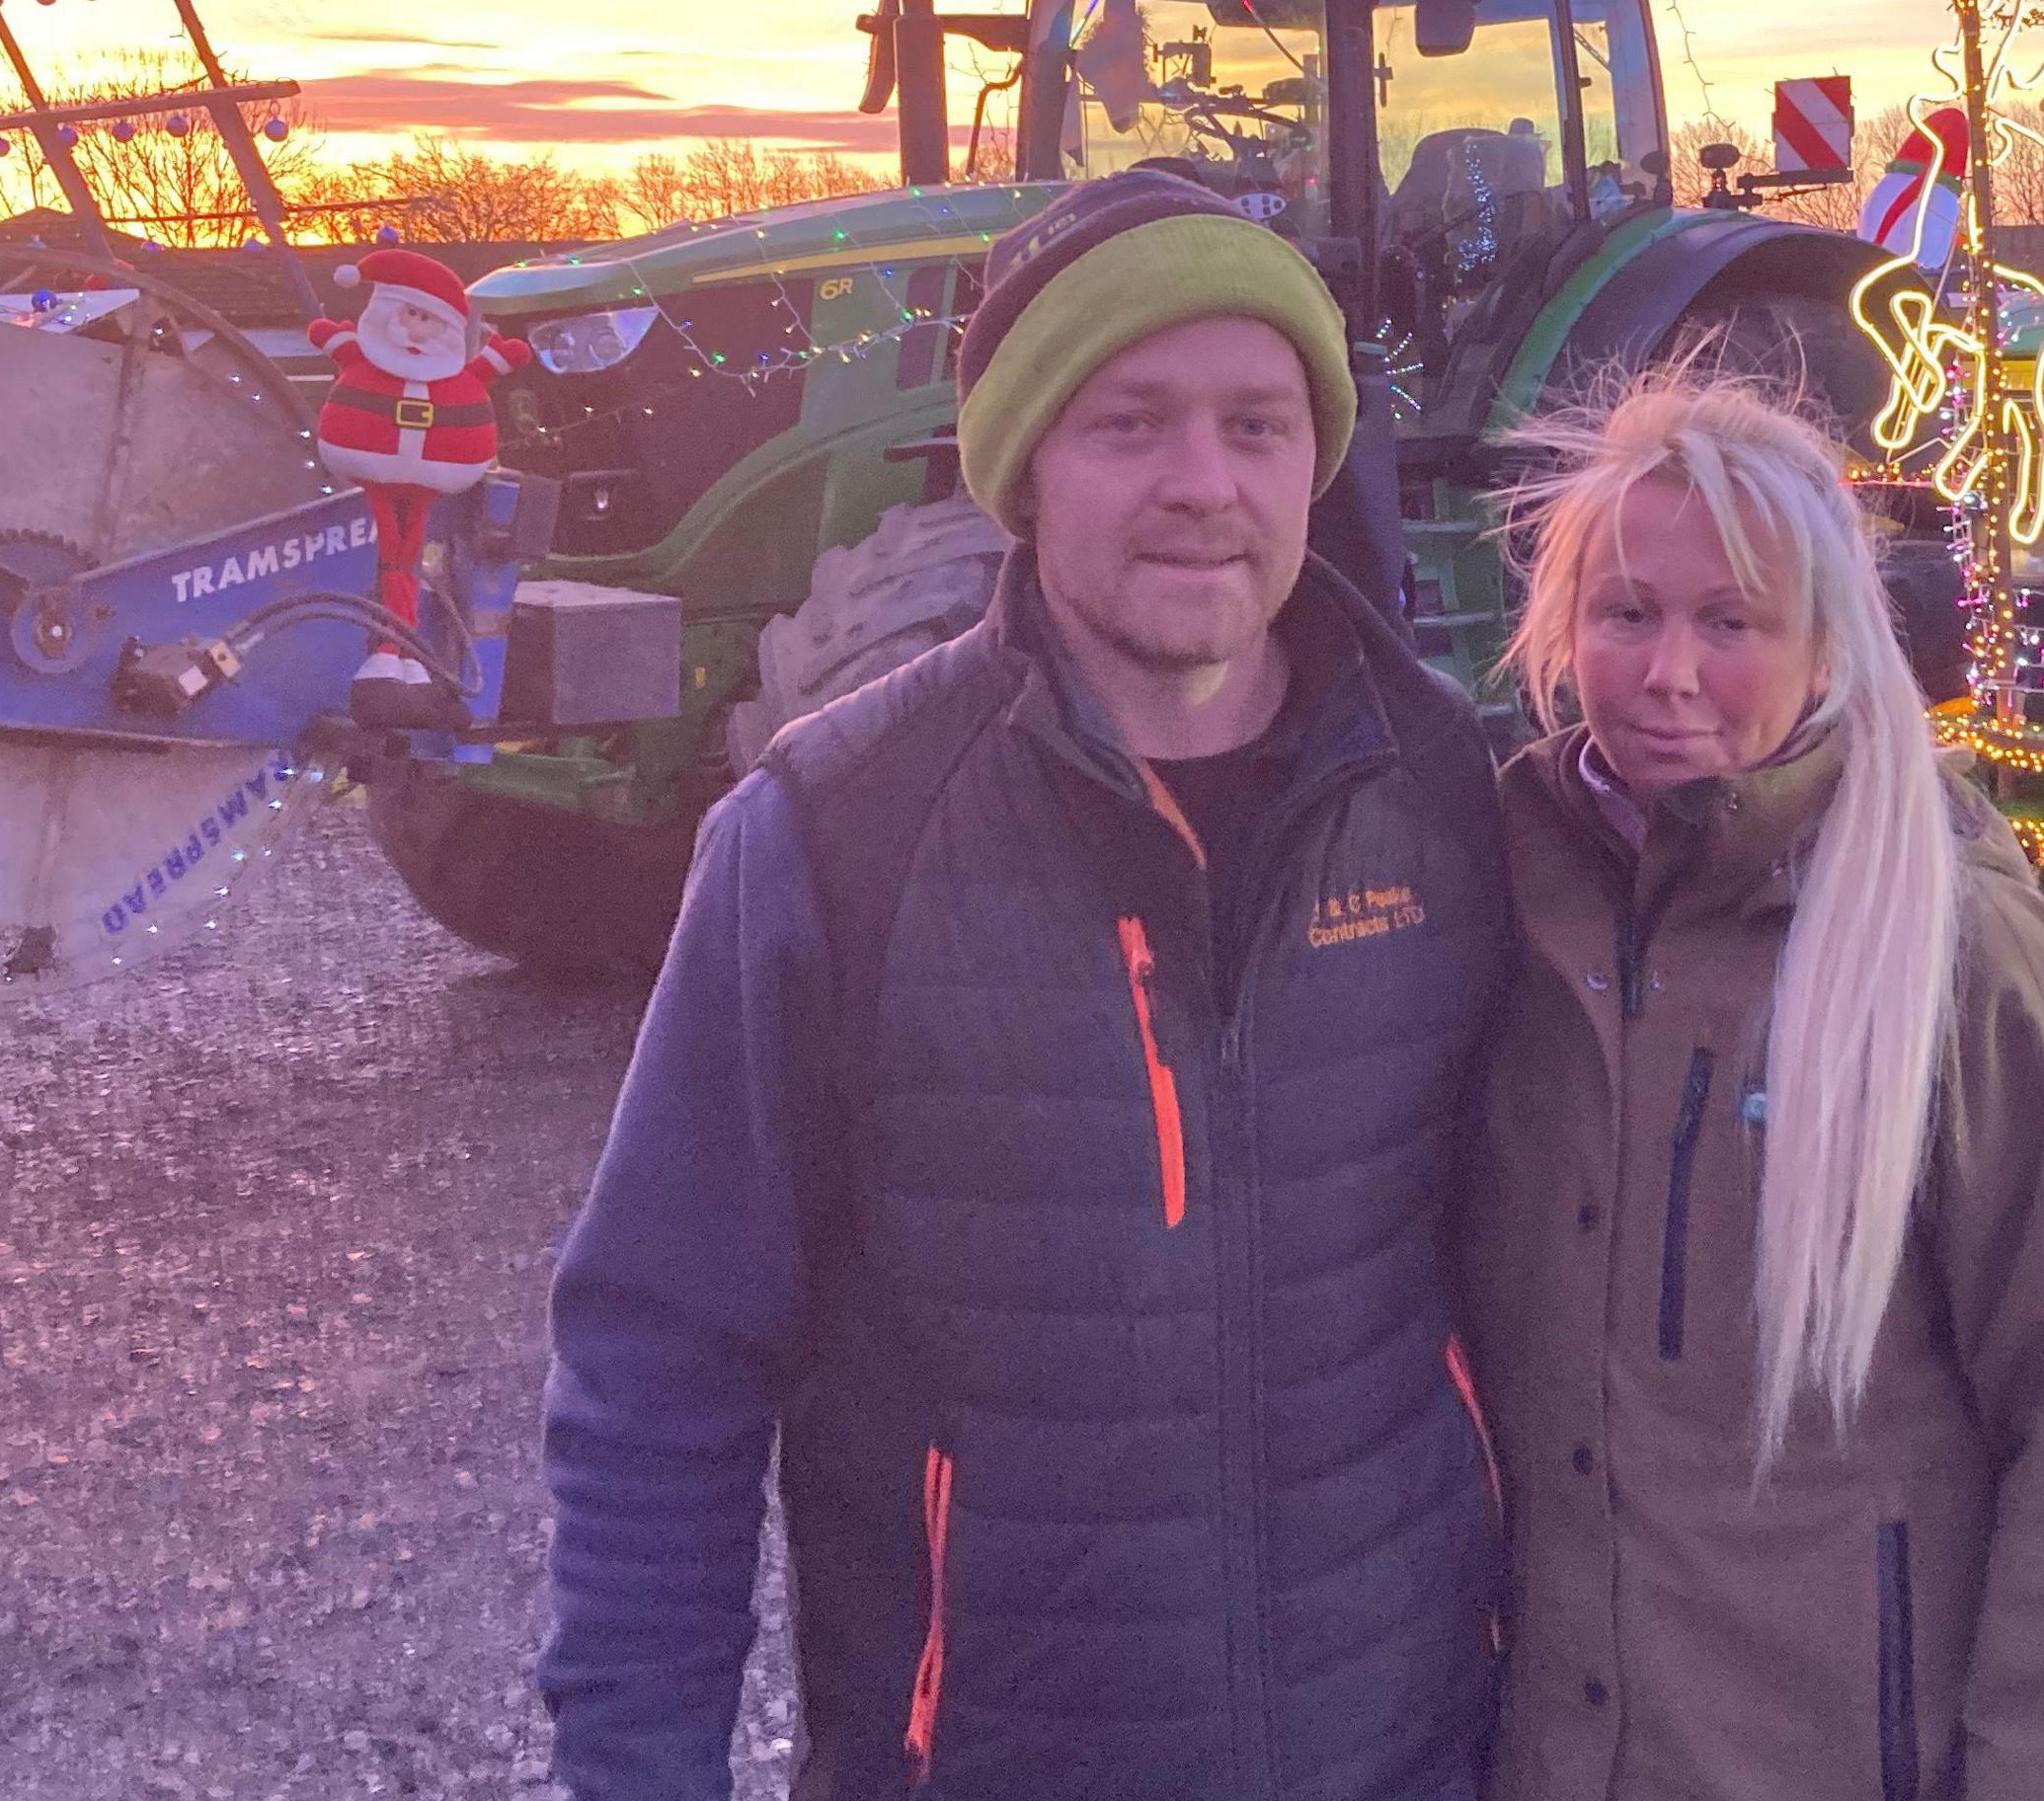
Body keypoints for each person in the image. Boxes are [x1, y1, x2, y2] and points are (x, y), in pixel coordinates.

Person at [538, 169, 1512, 1800]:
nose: (1205, 482)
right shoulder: (828, 839)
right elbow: (660, 1370)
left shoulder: (1448, 796)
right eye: (1131, 422)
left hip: (1401, 1754)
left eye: (1258, 425)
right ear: (1023, 470)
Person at [1462, 370, 2044, 1801]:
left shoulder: (1951, 944)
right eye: (1627, 614)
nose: (1669, 672)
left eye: (1730, 623)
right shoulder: (1496, 887)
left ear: (1825, 649)